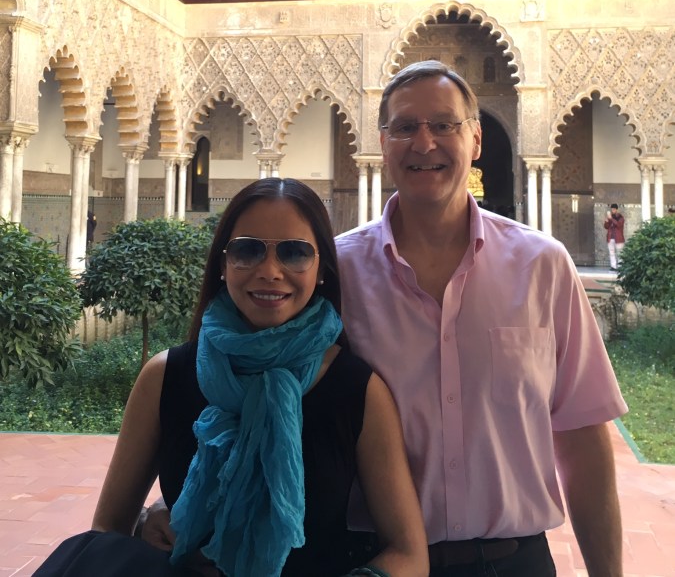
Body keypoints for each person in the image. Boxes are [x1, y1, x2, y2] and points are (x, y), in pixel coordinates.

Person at [34, 178, 428, 577]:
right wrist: (143, 524)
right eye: (247, 250)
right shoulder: (165, 377)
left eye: (294, 252)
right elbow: (108, 527)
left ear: (322, 268)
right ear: (223, 265)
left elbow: (409, 553)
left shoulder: (356, 390)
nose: (269, 271)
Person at [336, 60, 627, 577]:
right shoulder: (338, 273)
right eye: (404, 127)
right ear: (382, 144)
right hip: (376, 562)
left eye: (443, 124)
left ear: (475, 139)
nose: (423, 142)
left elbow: (582, 435)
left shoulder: (542, 266)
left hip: (514, 562)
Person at [603, 203, 625, 271]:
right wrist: (606, 222)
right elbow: (606, 227)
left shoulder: (620, 217)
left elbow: (619, 225)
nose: (612, 210)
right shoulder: (610, 217)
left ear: (616, 209)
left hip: (618, 238)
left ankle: (620, 266)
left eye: (614, 209)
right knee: (611, 252)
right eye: (612, 209)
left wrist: (611, 219)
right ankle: (613, 266)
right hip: (610, 238)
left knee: (620, 252)